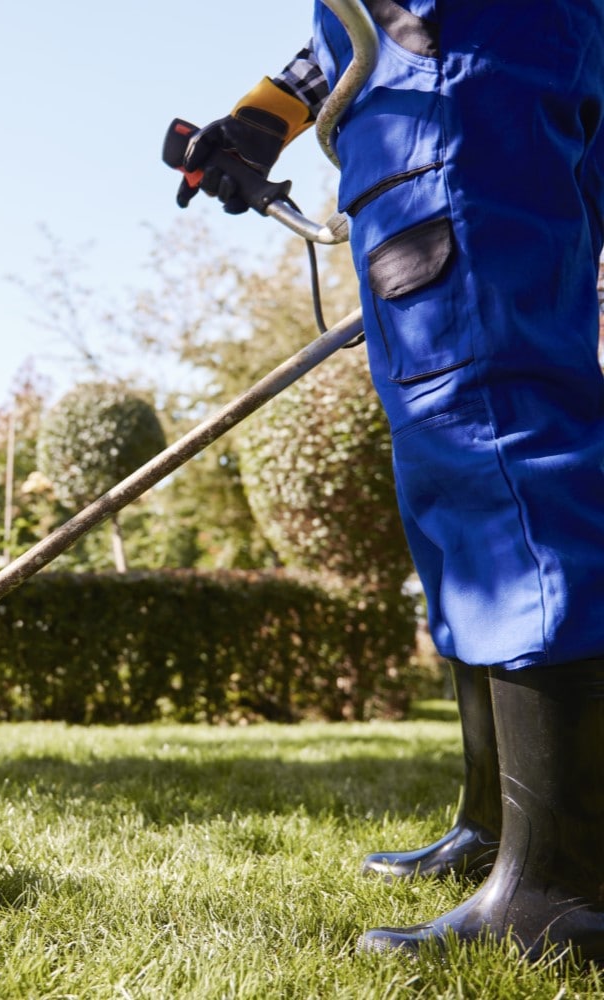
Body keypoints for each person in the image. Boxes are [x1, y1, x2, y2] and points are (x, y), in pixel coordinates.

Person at [172, 0, 604, 961]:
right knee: (456, 479)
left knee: (493, 431)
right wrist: (261, 116)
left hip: (456, 70)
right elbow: (346, 30)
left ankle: (560, 886)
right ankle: (502, 829)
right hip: (438, 73)